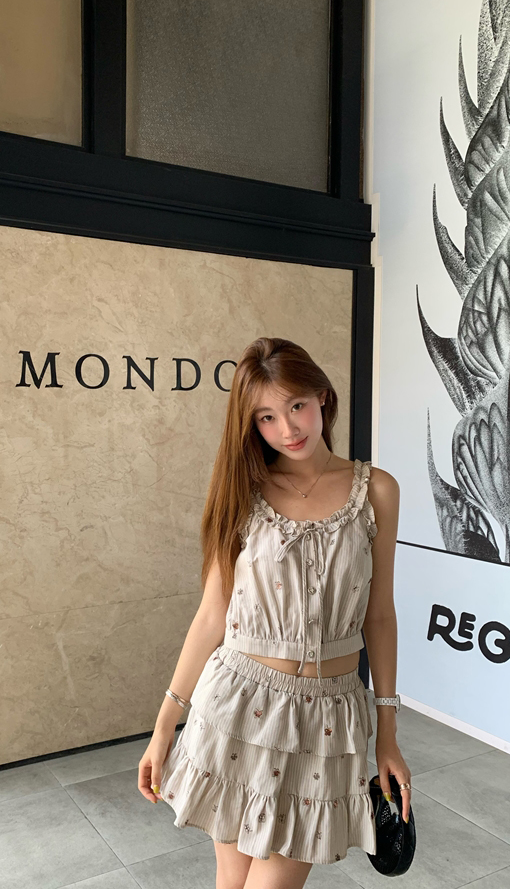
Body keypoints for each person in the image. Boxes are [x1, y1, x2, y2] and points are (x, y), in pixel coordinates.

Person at [138, 337, 410, 888]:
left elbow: (379, 615)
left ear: (322, 396)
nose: (288, 428)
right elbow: (212, 614)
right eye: (266, 417)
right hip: (238, 707)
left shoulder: (376, 490)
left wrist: (387, 731)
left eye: (296, 406)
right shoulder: (243, 490)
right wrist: (165, 724)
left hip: (327, 719)